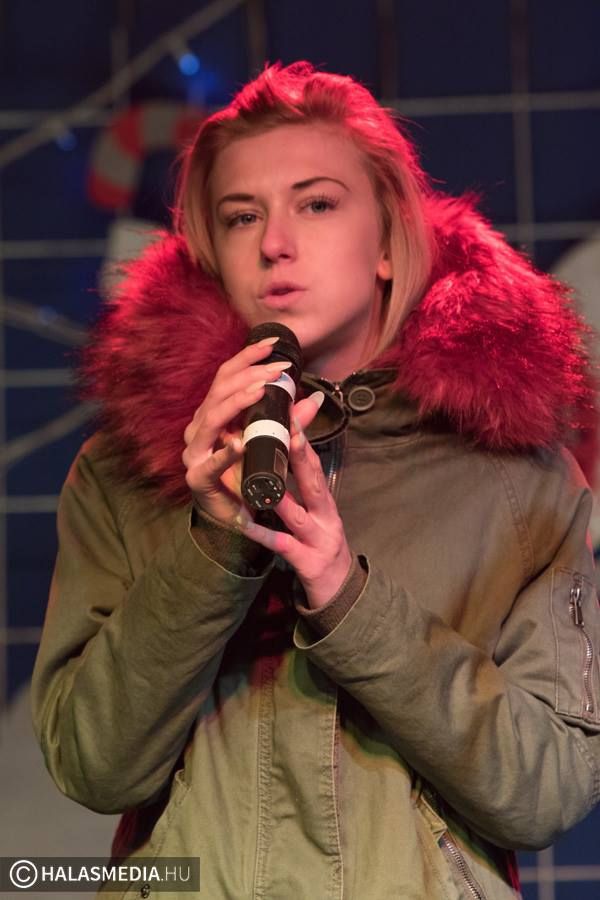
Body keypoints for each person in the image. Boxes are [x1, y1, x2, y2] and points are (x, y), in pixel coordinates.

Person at [31, 61, 600, 900]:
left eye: (318, 204)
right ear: (212, 252)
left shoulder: (515, 476)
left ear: (388, 242)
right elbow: (92, 766)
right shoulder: (126, 472)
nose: (275, 243)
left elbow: (546, 790)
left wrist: (349, 600)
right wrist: (213, 548)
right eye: (242, 215)